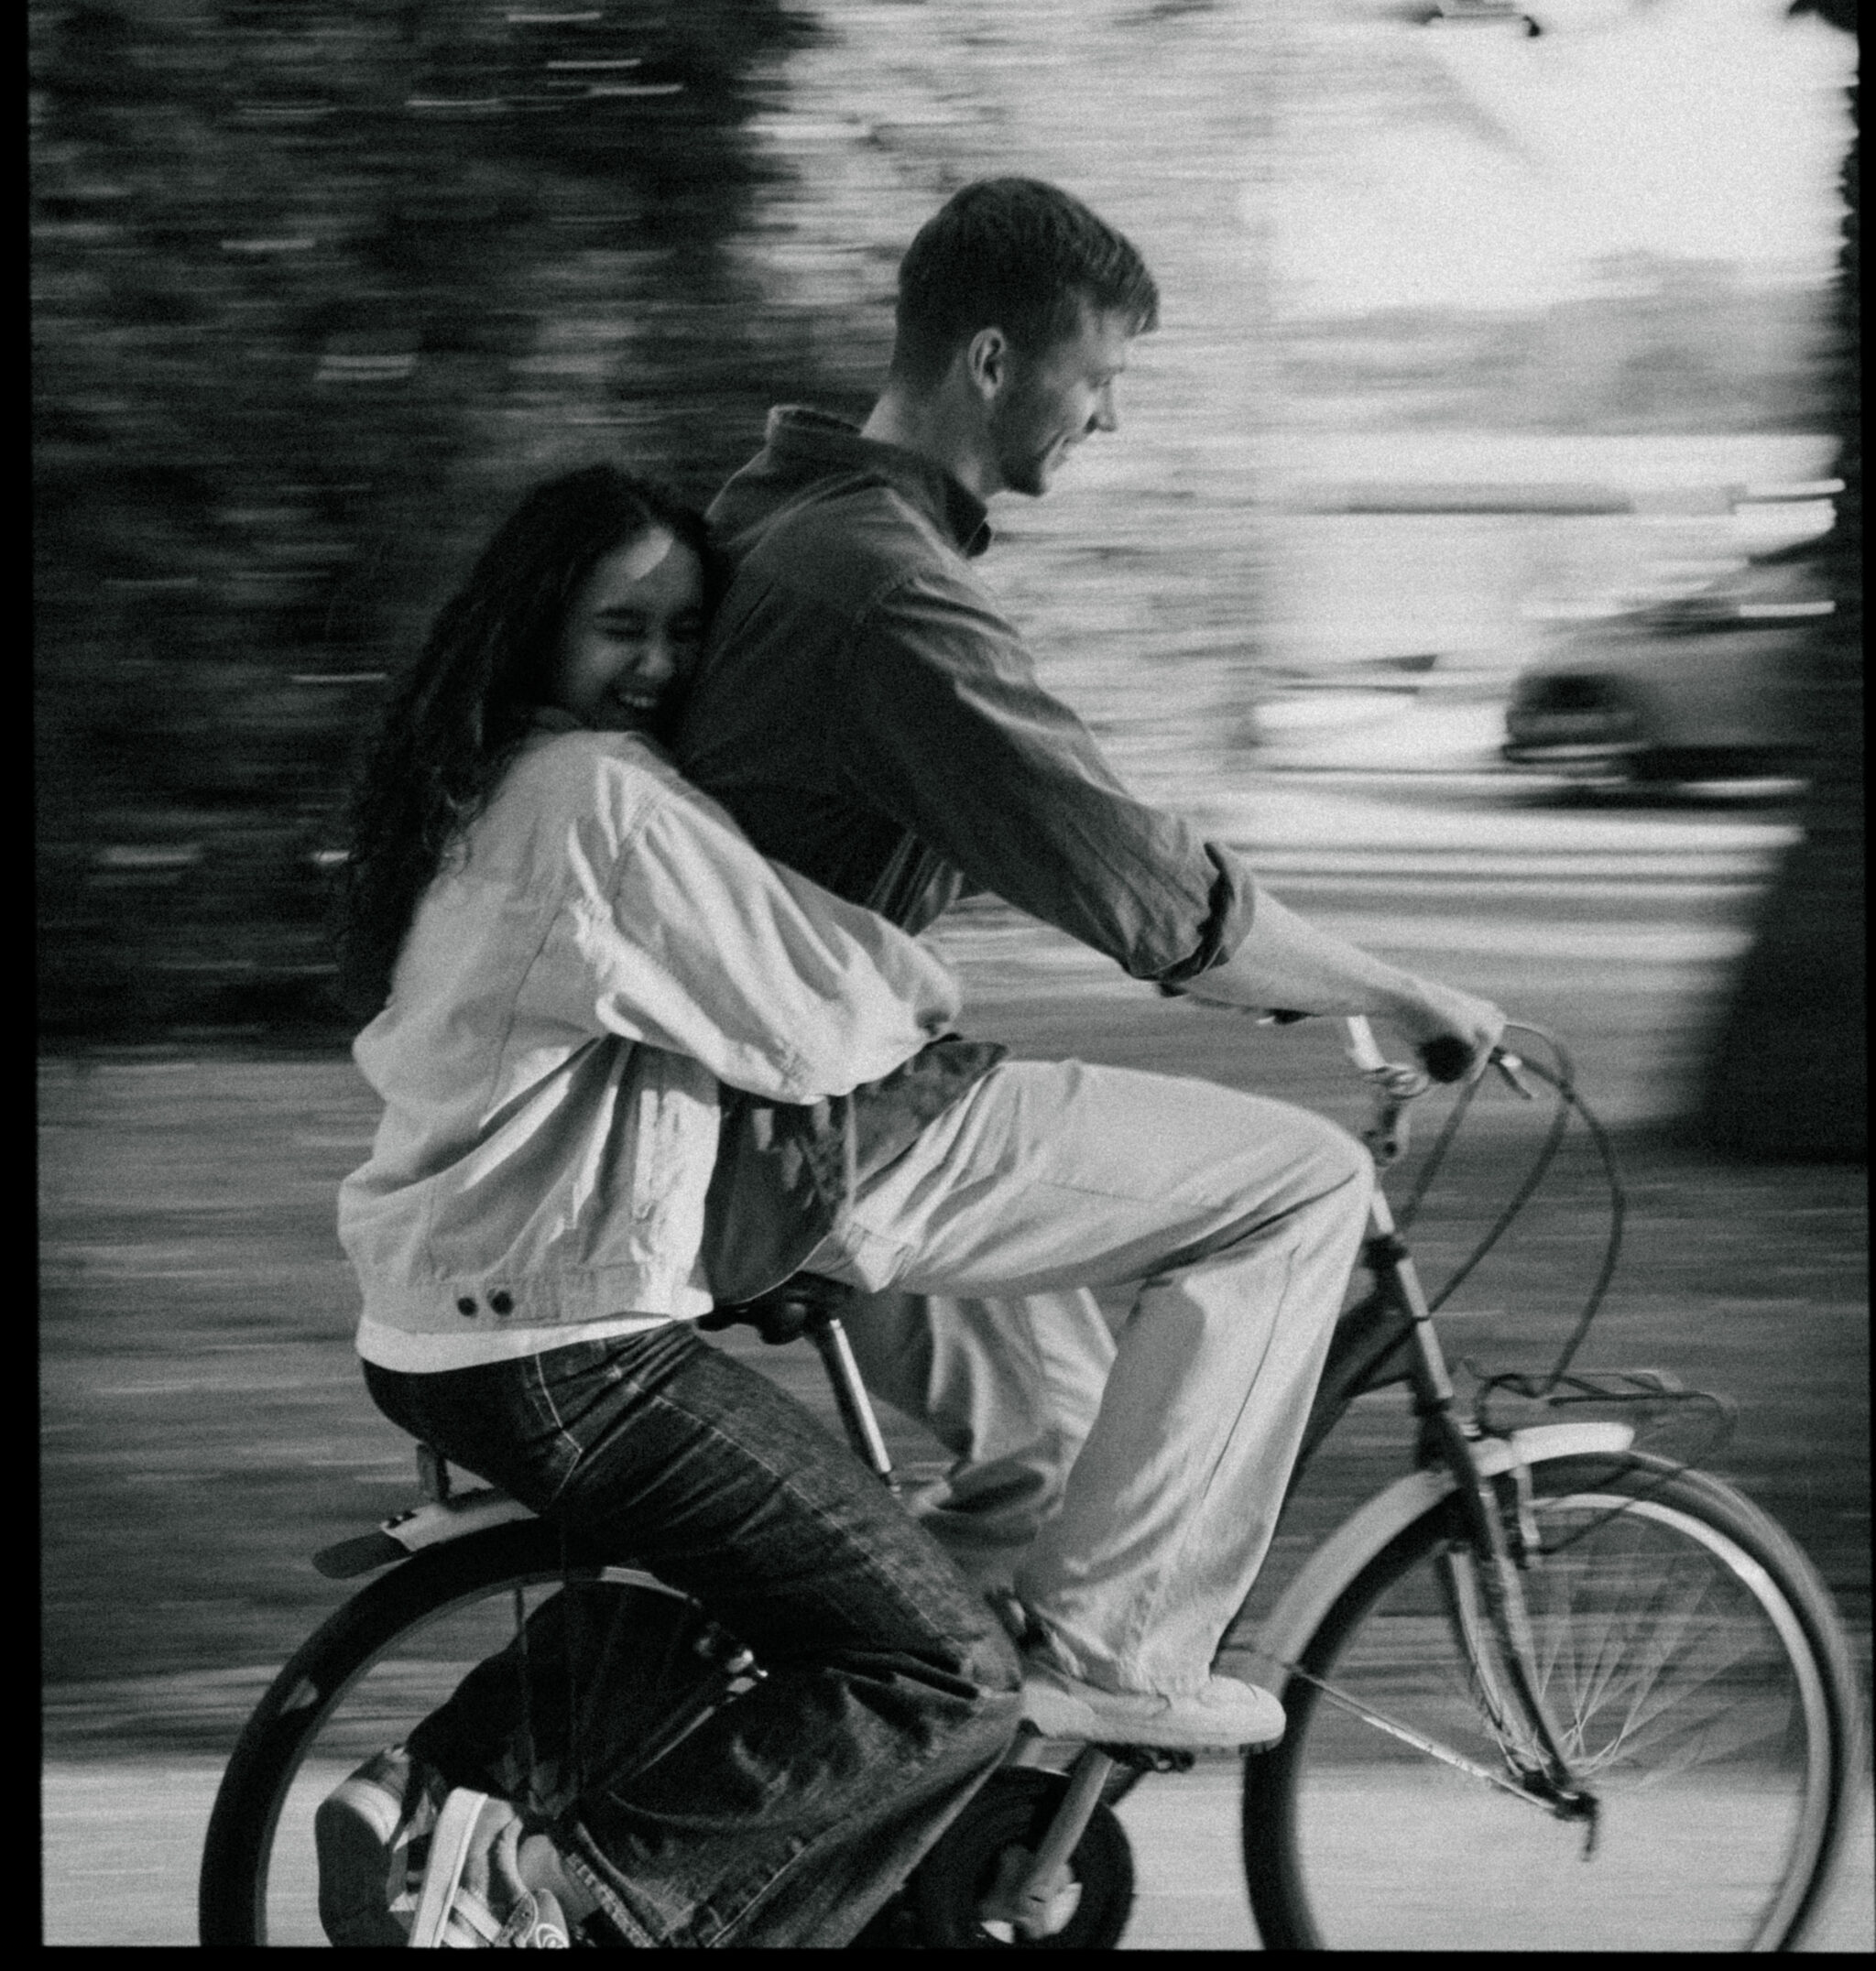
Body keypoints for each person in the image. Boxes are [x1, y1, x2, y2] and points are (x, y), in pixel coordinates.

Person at [677, 176, 1508, 1748]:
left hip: (765, 1107)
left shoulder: (782, 518)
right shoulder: (880, 587)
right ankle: (1121, 1663)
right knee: (1305, 1187)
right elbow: (1140, 891)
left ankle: (894, 1812)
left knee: (1057, 1460)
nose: (1109, 419)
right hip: (815, 1133)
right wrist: (1399, 992)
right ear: (993, 362)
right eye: (1101, 376)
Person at [318, 466, 1020, 1948]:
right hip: (567, 1345)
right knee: (946, 1672)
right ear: (537, 631)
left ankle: (436, 1782)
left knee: (774, 1607)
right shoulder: (602, 796)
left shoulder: (483, 781)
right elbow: (817, 1012)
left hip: (443, 1326)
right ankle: (560, 1888)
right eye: (618, 628)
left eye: (684, 632)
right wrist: (934, 975)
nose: (657, 667)